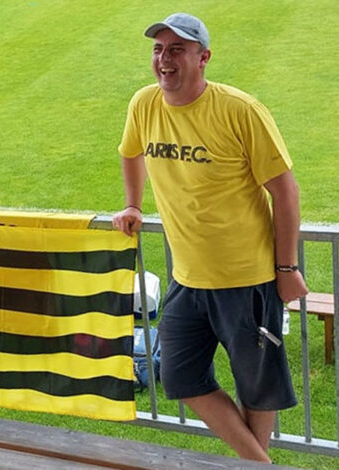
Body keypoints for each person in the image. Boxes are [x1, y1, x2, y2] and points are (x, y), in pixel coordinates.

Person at [112, 13, 308, 463]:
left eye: (177, 50)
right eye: (159, 49)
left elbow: (285, 191)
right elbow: (130, 152)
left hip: (248, 279)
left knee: (256, 389)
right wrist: (133, 205)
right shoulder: (144, 104)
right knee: (179, 376)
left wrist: (286, 268)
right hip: (187, 277)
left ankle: (253, 464)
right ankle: (261, 464)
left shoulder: (240, 111)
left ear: (203, 58)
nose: (164, 59)